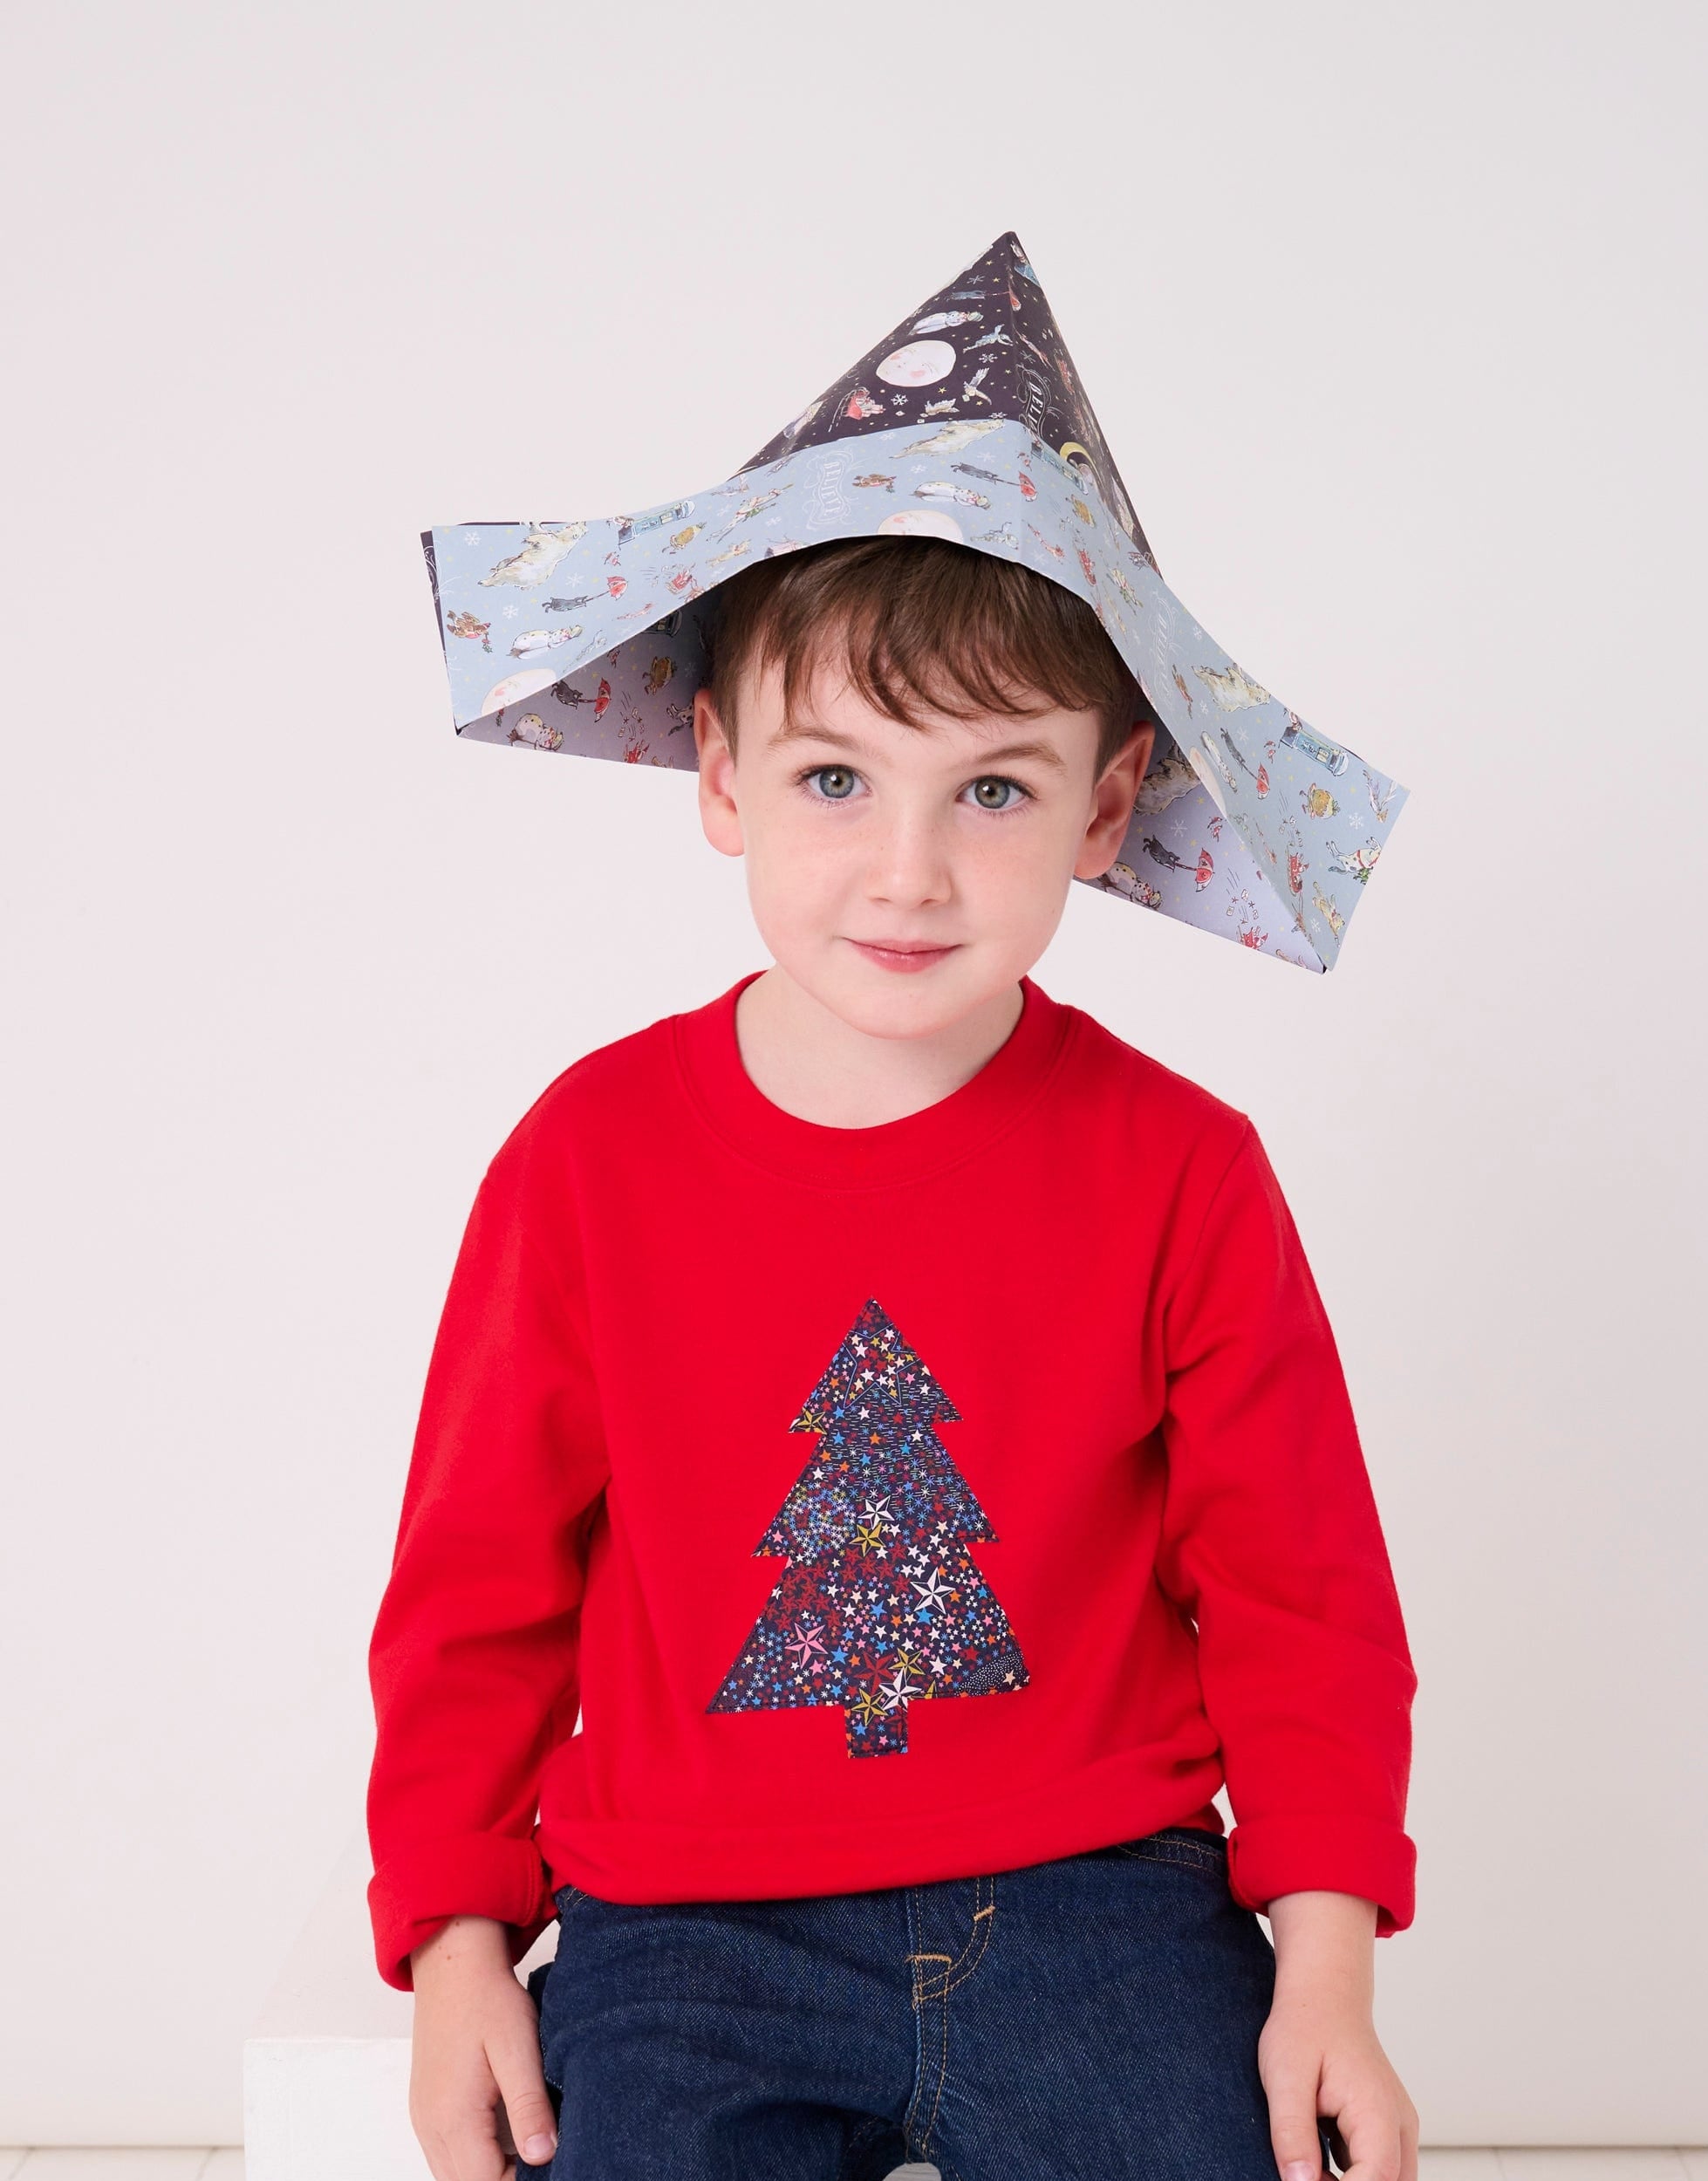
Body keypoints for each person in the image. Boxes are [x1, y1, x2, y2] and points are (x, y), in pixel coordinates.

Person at [366, 535, 1421, 2181]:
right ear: (721, 772)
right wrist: (455, 1952)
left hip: (1104, 1895)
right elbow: (474, 1593)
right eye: (837, 778)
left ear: (1104, 803)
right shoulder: (587, 1161)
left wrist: (1329, 1977)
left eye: (993, 793)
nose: (909, 872)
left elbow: (1304, 1598)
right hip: (689, 1922)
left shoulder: (1183, 1169)